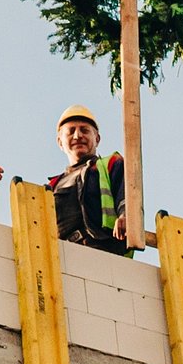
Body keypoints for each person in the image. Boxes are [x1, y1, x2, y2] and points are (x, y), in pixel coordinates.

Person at [45, 105, 129, 255]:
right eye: (71, 131)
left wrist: (125, 216)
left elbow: (127, 194)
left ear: (97, 139)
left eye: (84, 130)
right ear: (60, 142)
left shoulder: (110, 164)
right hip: (61, 255)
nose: (77, 136)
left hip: (102, 250)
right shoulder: (51, 187)